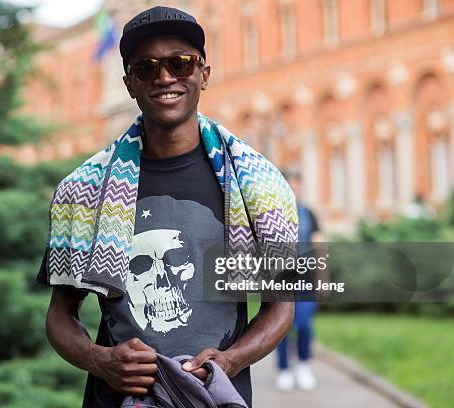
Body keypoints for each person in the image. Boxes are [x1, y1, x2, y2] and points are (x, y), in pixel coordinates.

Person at [37, 6, 299, 407]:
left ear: (203, 74)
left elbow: (281, 305)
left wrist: (231, 360)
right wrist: (102, 360)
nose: (164, 78)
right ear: (129, 83)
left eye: (181, 63)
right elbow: (60, 314)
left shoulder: (258, 186)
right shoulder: (83, 191)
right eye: (146, 68)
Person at [275, 170, 322, 391]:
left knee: (304, 325)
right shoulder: (272, 214)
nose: (294, 189)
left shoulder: (308, 214)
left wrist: (323, 277)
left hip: (307, 280)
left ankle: (303, 364)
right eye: (290, 185)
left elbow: (319, 246)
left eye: (297, 185)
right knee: (280, 327)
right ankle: (284, 369)